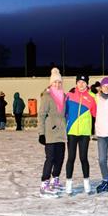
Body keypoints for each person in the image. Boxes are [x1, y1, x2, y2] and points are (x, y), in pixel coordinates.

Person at [65, 73, 97, 195]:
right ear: (76, 83)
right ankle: (69, 184)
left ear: (87, 84)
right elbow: (63, 112)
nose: (81, 84)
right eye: (79, 82)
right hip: (72, 131)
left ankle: (86, 183)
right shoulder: (69, 96)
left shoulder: (93, 97)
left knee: (83, 158)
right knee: (71, 158)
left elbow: (96, 114)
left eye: (83, 82)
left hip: (84, 133)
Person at [38, 68, 67, 197]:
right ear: (51, 83)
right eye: (54, 82)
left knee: (60, 158)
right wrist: (41, 133)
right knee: (50, 159)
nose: (57, 84)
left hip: (61, 133)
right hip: (50, 133)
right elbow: (41, 115)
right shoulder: (47, 96)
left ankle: (55, 180)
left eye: (59, 82)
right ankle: (44, 183)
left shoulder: (64, 96)